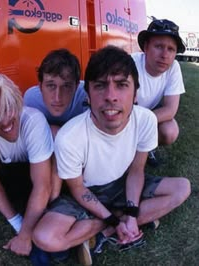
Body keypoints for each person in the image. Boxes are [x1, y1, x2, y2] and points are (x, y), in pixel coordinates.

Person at [31, 46, 191, 265]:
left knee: (182, 188)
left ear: (136, 94)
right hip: (86, 191)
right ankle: (114, 224)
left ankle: (99, 233)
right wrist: (114, 220)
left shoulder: (145, 120)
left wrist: (132, 213)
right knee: (44, 237)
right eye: (100, 86)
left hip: (122, 184)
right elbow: (78, 189)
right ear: (87, 94)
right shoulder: (70, 137)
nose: (111, 97)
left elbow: (136, 171)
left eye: (122, 85)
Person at [0, 67, 53, 257]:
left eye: (8, 108)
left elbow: (42, 187)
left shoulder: (32, 120)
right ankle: (18, 218)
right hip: (6, 179)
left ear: (17, 101)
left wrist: (25, 235)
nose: (4, 121)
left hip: (34, 178)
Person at [131, 19, 186, 166]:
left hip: (144, 115)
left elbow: (170, 110)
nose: (164, 55)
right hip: (126, 115)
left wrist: (142, 124)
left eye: (171, 49)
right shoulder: (130, 64)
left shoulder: (173, 68)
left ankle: (145, 148)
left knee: (170, 131)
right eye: (159, 46)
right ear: (146, 47)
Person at [24, 48, 88, 136]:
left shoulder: (87, 96)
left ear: (76, 86)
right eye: (51, 86)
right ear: (40, 86)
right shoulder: (31, 100)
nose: (57, 98)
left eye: (66, 86)